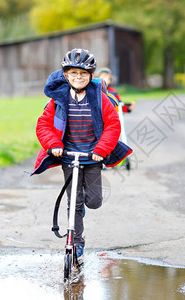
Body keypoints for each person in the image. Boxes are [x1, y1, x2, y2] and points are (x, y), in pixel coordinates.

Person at [32, 48, 132, 260]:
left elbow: (113, 125)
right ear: (66, 75)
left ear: (91, 76)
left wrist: (101, 150)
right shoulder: (58, 99)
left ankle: (85, 207)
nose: (78, 77)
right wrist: (53, 144)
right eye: (74, 73)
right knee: (73, 202)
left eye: (83, 74)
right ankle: (76, 242)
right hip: (68, 156)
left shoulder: (99, 99)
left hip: (92, 156)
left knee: (94, 201)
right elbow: (43, 125)